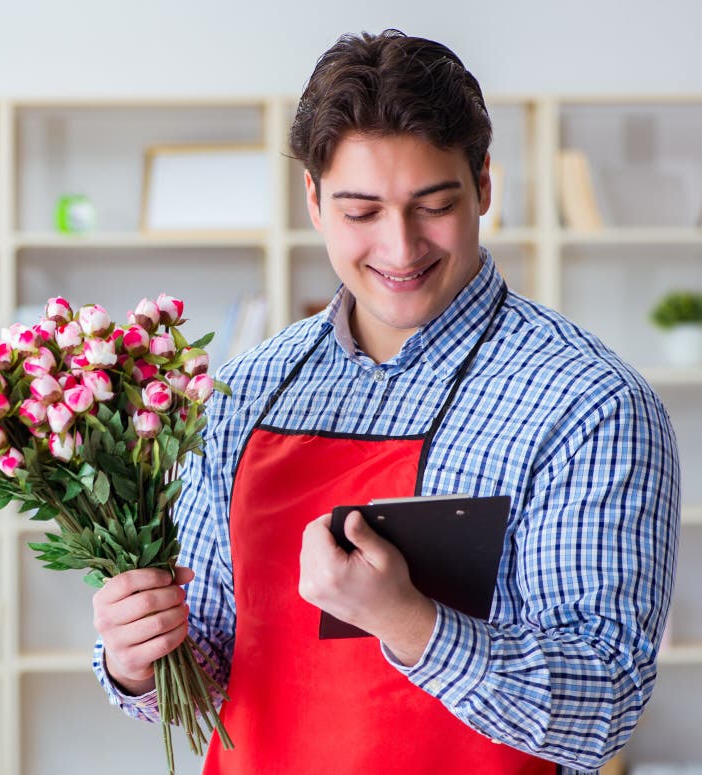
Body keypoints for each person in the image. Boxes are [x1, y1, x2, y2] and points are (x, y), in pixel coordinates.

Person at [92, 29, 680, 774]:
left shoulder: (588, 403)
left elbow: (604, 702)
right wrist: (136, 658)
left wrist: (409, 620)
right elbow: (208, 669)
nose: (401, 249)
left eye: (433, 205)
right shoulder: (245, 394)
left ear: (484, 187)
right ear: (313, 199)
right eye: (361, 211)